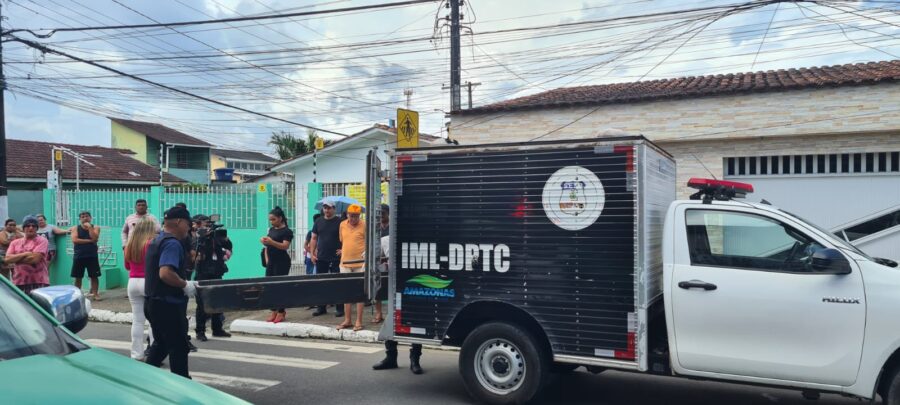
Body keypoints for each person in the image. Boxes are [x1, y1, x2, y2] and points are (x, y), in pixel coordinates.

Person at [144, 206, 198, 378]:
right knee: (179, 347)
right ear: (179, 222)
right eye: (188, 224)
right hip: (167, 304)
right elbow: (165, 273)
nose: (189, 228)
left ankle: (143, 379)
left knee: (161, 344)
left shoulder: (157, 240)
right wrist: (184, 285)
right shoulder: (172, 244)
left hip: (153, 302)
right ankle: (182, 384)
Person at [372, 224, 423, 375]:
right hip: (395, 288)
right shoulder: (386, 240)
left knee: (416, 323)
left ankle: (415, 360)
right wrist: (382, 263)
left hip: (413, 286)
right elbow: (367, 256)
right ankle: (391, 358)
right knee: (392, 322)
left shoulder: (416, 240)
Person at [193, 215, 232, 341]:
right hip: (203, 273)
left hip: (217, 271)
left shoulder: (215, 237)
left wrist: (224, 240)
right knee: (202, 304)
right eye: (205, 224)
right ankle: (200, 331)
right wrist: (204, 237)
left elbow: (227, 250)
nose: (208, 227)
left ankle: (217, 329)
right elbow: (198, 252)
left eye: (209, 224)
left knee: (218, 301)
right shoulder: (196, 236)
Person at [124, 219, 156, 361]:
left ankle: (136, 354)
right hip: (148, 282)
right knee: (154, 321)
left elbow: (127, 266)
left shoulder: (129, 245)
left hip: (132, 282)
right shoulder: (151, 244)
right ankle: (154, 353)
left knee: (137, 320)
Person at [309, 201, 343, 317]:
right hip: (321, 257)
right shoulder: (318, 221)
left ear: (334, 209)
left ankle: (339, 308)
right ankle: (321, 307)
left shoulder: (340, 222)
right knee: (321, 282)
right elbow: (314, 238)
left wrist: (343, 249)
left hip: (336, 258)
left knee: (337, 283)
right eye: (325, 208)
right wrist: (312, 253)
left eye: (329, 208)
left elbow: (346, 237)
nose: (327, 210)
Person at [337, 204, 366, 332]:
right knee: (346, 293)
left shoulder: (364, 225)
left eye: (356, 216)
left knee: (359, 294)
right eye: (351, 216)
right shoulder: (342, 225)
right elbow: (342, 241)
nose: (354, 218)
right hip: (345, 263)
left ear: (359, 216)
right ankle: (347, 320)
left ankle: (359, 321)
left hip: (361, 264)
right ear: (347, 215)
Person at [262, 206, 293, 323]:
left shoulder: (287, 231)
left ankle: (281, 311)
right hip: (271, 261)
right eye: (270, 220)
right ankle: (273, 310)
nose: (272, 222)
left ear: (280, 218)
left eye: (273, 219)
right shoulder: (271, 230)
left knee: (280, 287)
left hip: (282, 262)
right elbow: (267, 247)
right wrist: (267, 259)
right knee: (270, 287)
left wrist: (271, 242)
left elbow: (285, 246)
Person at [4, 217, 50, 294]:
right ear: (23, 228)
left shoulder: (42, 240)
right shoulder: (15, 242)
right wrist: (26, 254)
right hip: (18, 281)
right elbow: (7, 259)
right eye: (28, 226)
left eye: (33, 226)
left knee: (35, 302)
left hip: (38, 281)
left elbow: (34, 259)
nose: (31, 228)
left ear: (37, 228)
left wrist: (15, 258)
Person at [70, 211, 102, 300]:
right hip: (79, 255)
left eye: (87, 216)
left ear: (90, 218)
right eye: (82, 217)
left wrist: (90, 228)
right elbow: (75, 240)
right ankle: (77, 295)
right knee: (78, 277)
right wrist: (90, 241)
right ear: (80, 219)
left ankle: (95, 294)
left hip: (92, 255)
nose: (85, 218)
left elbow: (95, 238)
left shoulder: (96, 227)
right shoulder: (75, 228)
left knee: (94, 276)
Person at [373, 204, 390, 324]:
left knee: (391, 287)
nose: (381, 216)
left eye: (383, 213)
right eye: (379, 214)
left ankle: (390, 313)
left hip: (390, 261)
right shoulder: (376, 227)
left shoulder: (393, 226)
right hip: (378, 260)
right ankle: (379, 313)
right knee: (377, 287)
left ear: (388, 213)